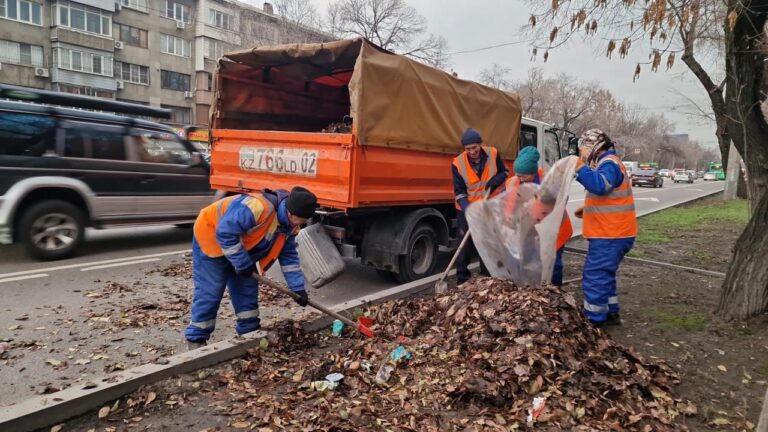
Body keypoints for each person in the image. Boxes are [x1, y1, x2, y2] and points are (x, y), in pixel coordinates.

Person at [184, 186, 317, 349]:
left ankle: (249, 332)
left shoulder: (290, 226)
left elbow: (289, 257)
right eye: (300, 220)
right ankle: (196, 338)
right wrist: (241, 262)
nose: (300, 225)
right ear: (290, 212)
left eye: (304, 221)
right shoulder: (257, 207)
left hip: (241, 249)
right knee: (211, 290)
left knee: (246, 288)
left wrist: (298, 289)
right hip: (211, 237)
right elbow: (225, 232)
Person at [573, 129, 637, 327]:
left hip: (610, 234)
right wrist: (589, 209)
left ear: (593, 147)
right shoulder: (609, 162)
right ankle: (610, 313)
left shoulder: (609, 163)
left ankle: (594, 319)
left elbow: (601, 185)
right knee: (605, 276)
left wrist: (580, 167)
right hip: (613, 232)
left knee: (595, 276)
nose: (582, 153)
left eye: (583, 149)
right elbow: (608, 195)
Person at [504, 146, 573, 286]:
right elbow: (509, 208)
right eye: (517, 174)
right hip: (530, 232)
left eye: (524, 175)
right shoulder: (512, 182)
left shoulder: (549, 181)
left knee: (553, 265)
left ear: (533, 171)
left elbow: (558, 204)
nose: (520, 179)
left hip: (555, 231)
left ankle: (555, 294)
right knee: (530, 264)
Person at [452, 127, 508, 285]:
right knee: (465, 244)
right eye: (468, 149)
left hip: (489, 206)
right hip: (466, 209)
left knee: (488, 241)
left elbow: (504, 172)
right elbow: (459, 191)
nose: (472, 151)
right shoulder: (458, 163)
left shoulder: (493, 153)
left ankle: (487, 276)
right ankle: (462, 279)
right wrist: (469, 209)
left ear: (480, 145)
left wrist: (494, 181)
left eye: (474, 147)